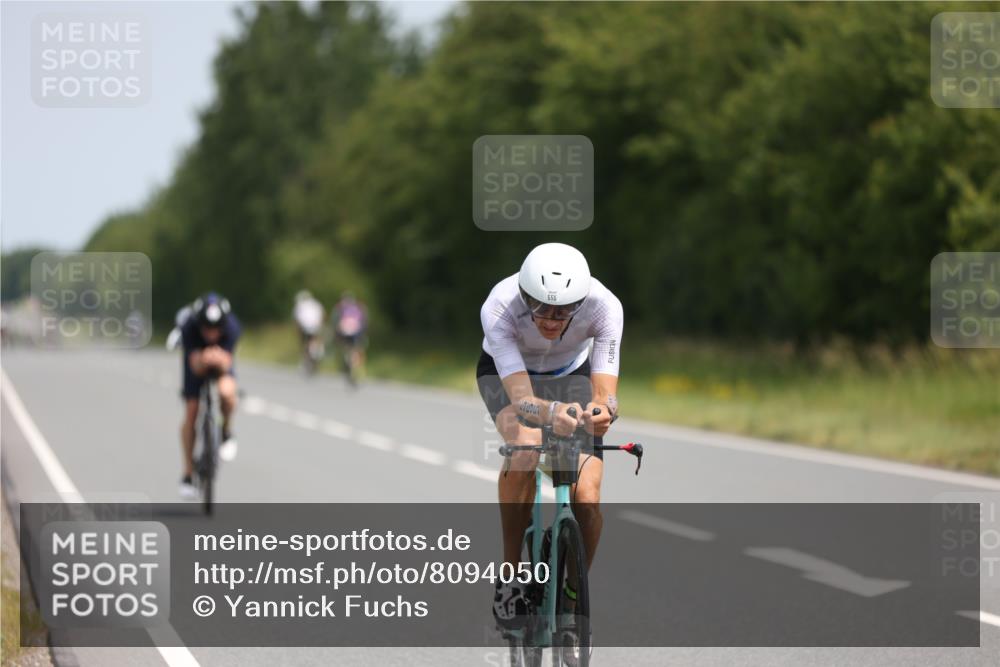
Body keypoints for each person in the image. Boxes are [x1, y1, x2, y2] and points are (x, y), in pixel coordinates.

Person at [477, 243, 623, 629]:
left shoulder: (605, 306)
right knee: (525, 448)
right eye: (539, 306)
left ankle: (573, 595)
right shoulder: (499, 306)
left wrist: (603, 411)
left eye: (564, 310)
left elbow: (605, 390)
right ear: (524, 295)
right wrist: (553, 413)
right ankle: (509, 577)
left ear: (582, 300)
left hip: (570, 375)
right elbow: (523, 400)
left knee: (587, 498)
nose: (552, 318)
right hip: (507, 376)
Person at [178, 293, 241, 499]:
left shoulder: (232, 327)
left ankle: (227, 430)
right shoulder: (189, 327)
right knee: (192, 411)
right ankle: (188, 473)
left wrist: (219, 360)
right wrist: (204, 360)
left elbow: (227, 362)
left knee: (227, 392)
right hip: (196, 364)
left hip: (221, 362)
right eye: (207, 329)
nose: (212, 334)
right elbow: (195, 365)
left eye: (216, 330)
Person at [330, 291, 368, 377]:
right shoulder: (359, 308)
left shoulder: (340, 308)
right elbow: (364, 322)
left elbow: (335, 322)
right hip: (357, 332)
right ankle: (357, 367)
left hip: (344, 331)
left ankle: (347, 363)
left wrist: (336, 333)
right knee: (357, 348)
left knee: (345, 346)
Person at [293, 290, 326, 373]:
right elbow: (322, 315)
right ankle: (316, 354)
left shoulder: (300, 305)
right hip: (316, 326)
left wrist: (297, 330)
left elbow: (297, 319)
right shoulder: (316, 304)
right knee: (314, 341)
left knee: (304, 343)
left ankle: (307, 360)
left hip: (305, 327)